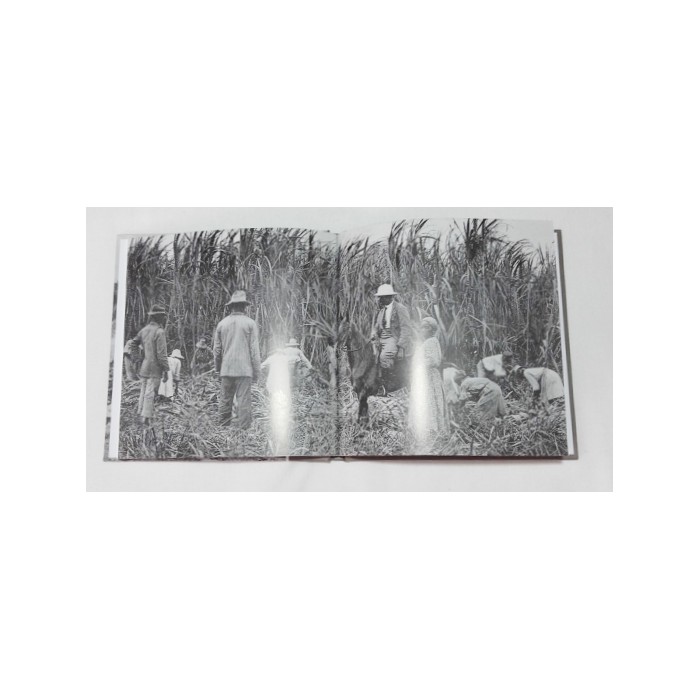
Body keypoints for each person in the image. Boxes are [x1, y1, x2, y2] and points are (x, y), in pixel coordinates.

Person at [214, 291, 261, 429]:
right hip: (244, 369)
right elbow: (254, 351)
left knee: (225, 399)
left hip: (227, 368)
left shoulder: (222, 324)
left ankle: (223, 428)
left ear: (231, 307)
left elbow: (216, 351)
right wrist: (257, 371)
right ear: (244, 306)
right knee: (244, 400)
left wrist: (218, 368)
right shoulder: (250, 323)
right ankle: (244, 430)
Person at [409, 317, 448, 440]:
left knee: (429, 400)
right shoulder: (427, 342)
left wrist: (418, 364)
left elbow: (434, 360)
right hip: (425, 375)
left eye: (425, 327)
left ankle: (431, 430)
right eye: (421, 327)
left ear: (432, 330)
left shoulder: (431, 341)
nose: (422, 330)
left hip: (429, 376)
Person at [134, 305, 170, 425]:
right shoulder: (159, 332)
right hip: (155, 368)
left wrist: (137, 359)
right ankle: (146, 419)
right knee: (150, 393)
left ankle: (141, 414)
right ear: (158, 317)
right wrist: (166, 370)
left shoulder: (144, 330)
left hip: (145, 366)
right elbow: (161, 354)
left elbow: (133, 344)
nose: (164, 318)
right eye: (162, 316)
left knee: (144, 391)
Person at [370, 283, 413, 376]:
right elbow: (377, 326)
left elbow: (406, 328)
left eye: (382, 297)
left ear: (389, 297)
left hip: (394, 337)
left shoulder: (400, 309)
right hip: (381, 337)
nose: (380, 300)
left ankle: (388, 379)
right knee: (368, 353)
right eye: (380, 297)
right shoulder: (382, 311)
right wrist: (373, 334)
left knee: (384, 357)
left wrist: (401, 347)